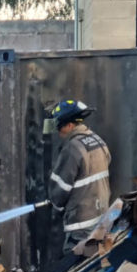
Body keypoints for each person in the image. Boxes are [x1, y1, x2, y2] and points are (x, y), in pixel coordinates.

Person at [45, 99, 111, 252]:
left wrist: (55, 205)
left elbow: (59, 191)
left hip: (81, 226)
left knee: (75, 266)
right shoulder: (97, 140)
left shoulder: (72, 148)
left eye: (59, 127)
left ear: (69, 125)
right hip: (101, 219)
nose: (58, 132)